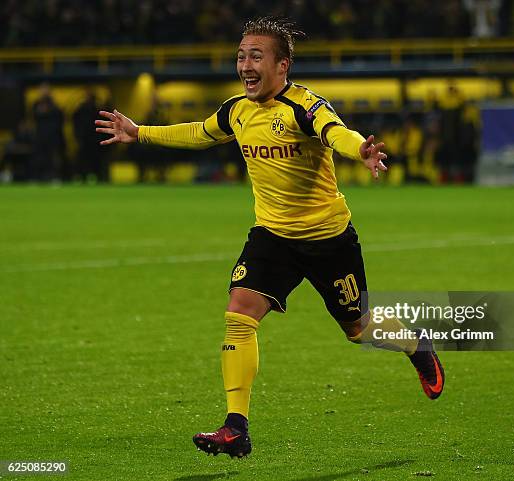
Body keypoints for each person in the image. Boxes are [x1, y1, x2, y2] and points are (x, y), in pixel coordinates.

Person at [95, 17, 444, 459]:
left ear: (282, 66)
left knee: (358, 328)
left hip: (328, 240)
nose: (245, 64)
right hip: (272, 237)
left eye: (255, 56)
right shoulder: (236, 110)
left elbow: (336, 133)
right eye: (241, 55)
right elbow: (200, 132)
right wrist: (139, 131)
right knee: (239, 310)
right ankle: (235, 426)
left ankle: (417, 344)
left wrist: (361, 150)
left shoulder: (304, 107)